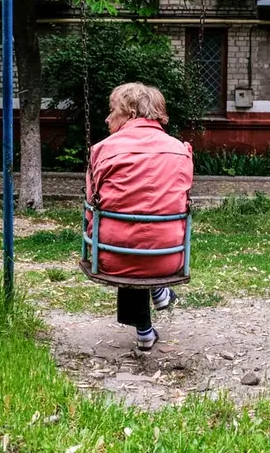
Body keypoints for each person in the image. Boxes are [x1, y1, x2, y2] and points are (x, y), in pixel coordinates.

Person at [86, 83, 193, 351]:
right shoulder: (180, 150)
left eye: (113, 111)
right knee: (143, 237)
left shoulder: (102, 150)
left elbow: (92, 204)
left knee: (127, 235)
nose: (107, 118)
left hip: (112, 255)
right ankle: (158, 295)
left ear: (131, 113)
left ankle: (148, 322)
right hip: (168, 256)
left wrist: (93, 238)